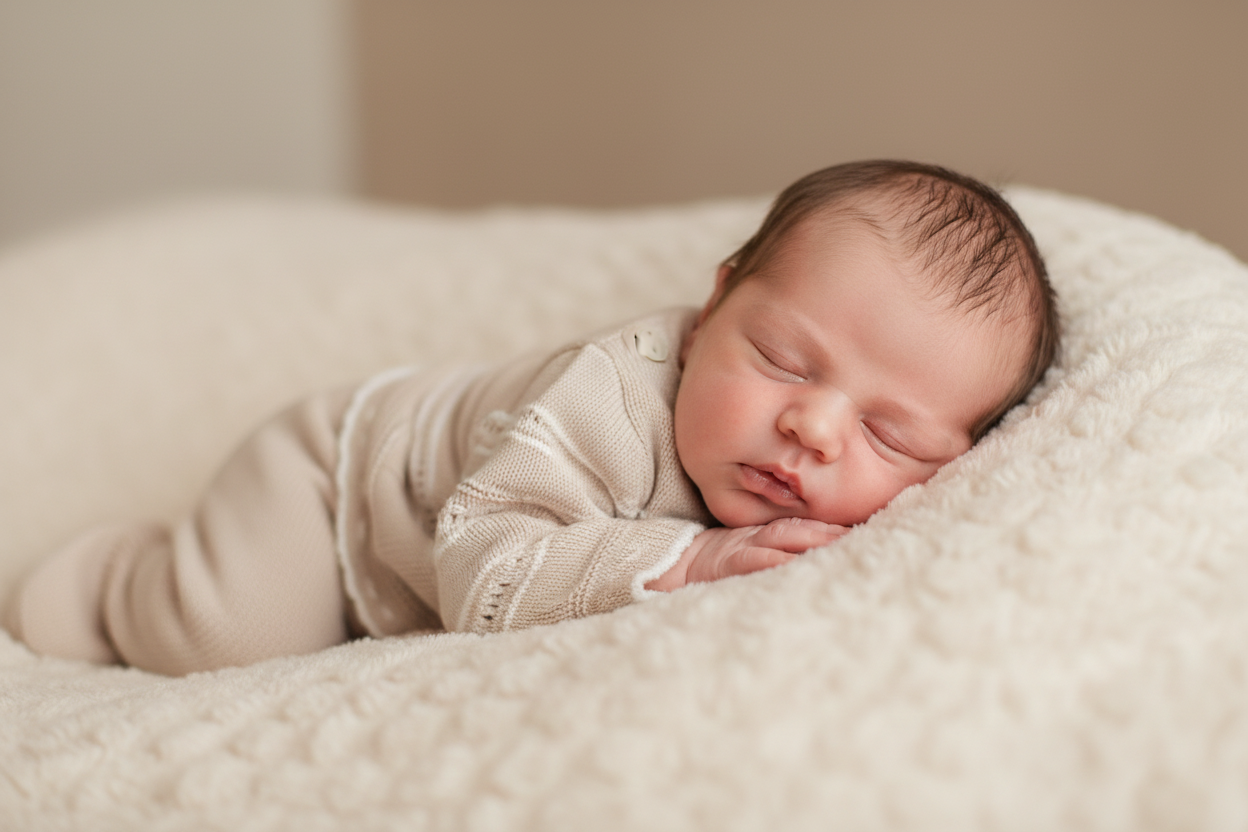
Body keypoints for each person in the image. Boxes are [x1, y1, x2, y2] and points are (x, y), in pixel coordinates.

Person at [4, 160, 1059, 675]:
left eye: (892, 438)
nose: (816, 432)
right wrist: (683, 566)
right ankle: (103, 582)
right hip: (328, 485)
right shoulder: (606, 398)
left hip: (401, 535)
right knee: (228, 642)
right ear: (710, 312)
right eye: (782, 360)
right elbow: (481, 566)